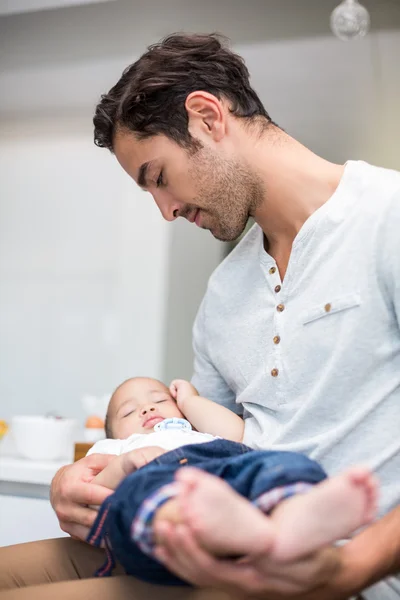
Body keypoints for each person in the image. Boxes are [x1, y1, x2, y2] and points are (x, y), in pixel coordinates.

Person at [1, 31, 400, 600]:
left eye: (158, 177)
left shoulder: (387, 217)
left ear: (208, 116)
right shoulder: (224, 292)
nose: (166, 211)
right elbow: (192, 447)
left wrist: (354, 566)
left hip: (350, 572)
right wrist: (79, 478)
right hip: (227, 547)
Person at [84, 376, 376, 586]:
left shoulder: (197, 431)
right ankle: (212, 524)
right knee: (134, 496)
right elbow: (96, 485)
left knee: (275, 462)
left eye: (160, 400)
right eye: (129, 411)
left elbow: (236, 434)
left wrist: (190, 400)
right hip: (158, 480)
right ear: (112, 434)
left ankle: (292, 517)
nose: (147, 409)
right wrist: (123, 464)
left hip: (223, 469)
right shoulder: (116, 447)